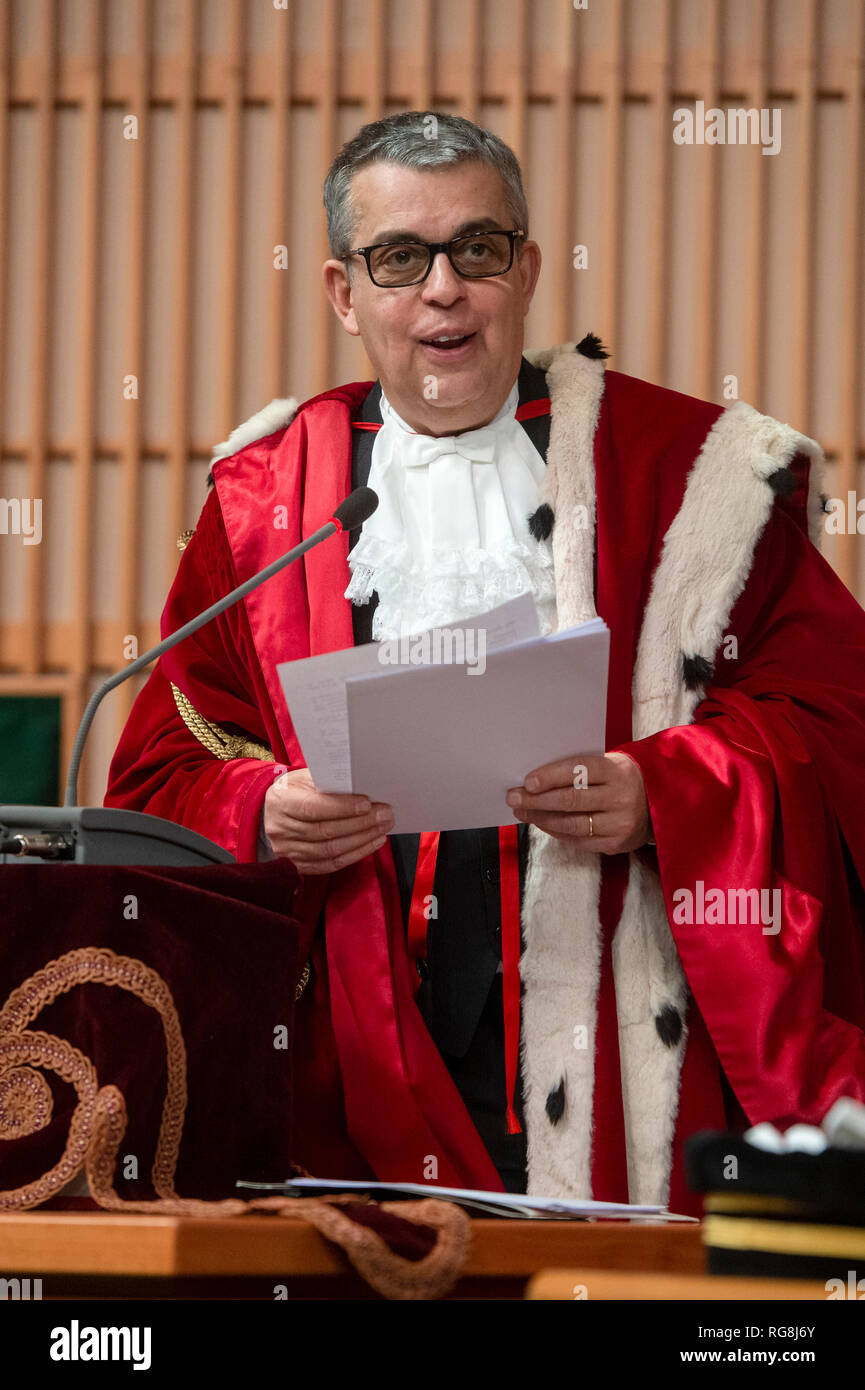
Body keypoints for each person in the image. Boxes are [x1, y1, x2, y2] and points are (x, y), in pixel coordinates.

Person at [105, 111, 865, 1217]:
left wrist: (669, 789)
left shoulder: (693, 476)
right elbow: (166, 761)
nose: (443, 289)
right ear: (342, 291)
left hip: (612, 1037)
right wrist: (263, 807)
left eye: (479, 248)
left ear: (528, 268)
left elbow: (833, 714)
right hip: (345, 1056)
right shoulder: (265, 502)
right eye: (399, 259)